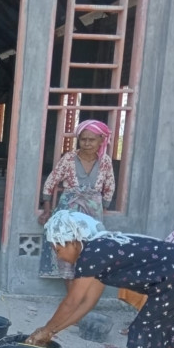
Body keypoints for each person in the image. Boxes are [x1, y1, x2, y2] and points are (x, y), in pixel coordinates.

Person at [27, 210, 174, 348]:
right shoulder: (100, 248)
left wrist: (45, 330)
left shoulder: (91, 254)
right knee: (172, 335)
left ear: (73, 241)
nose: (58, 255)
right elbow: (86, 303)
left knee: (142, 333)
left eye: (58, 247)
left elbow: (72, 301)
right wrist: (53, 331)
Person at [38, 119, 116, 287]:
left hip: (93, 213)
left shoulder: (105, 162)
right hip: (69, 211)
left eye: (92, 139)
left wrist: (103, 208)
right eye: (83, 139)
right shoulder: (69, 158)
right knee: (68, 250)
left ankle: (81, 296)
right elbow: (50, 183)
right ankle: (72, 297)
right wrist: (47, 210)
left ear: (101, 140)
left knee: (89, 252)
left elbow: (109, 187)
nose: (87, 143)